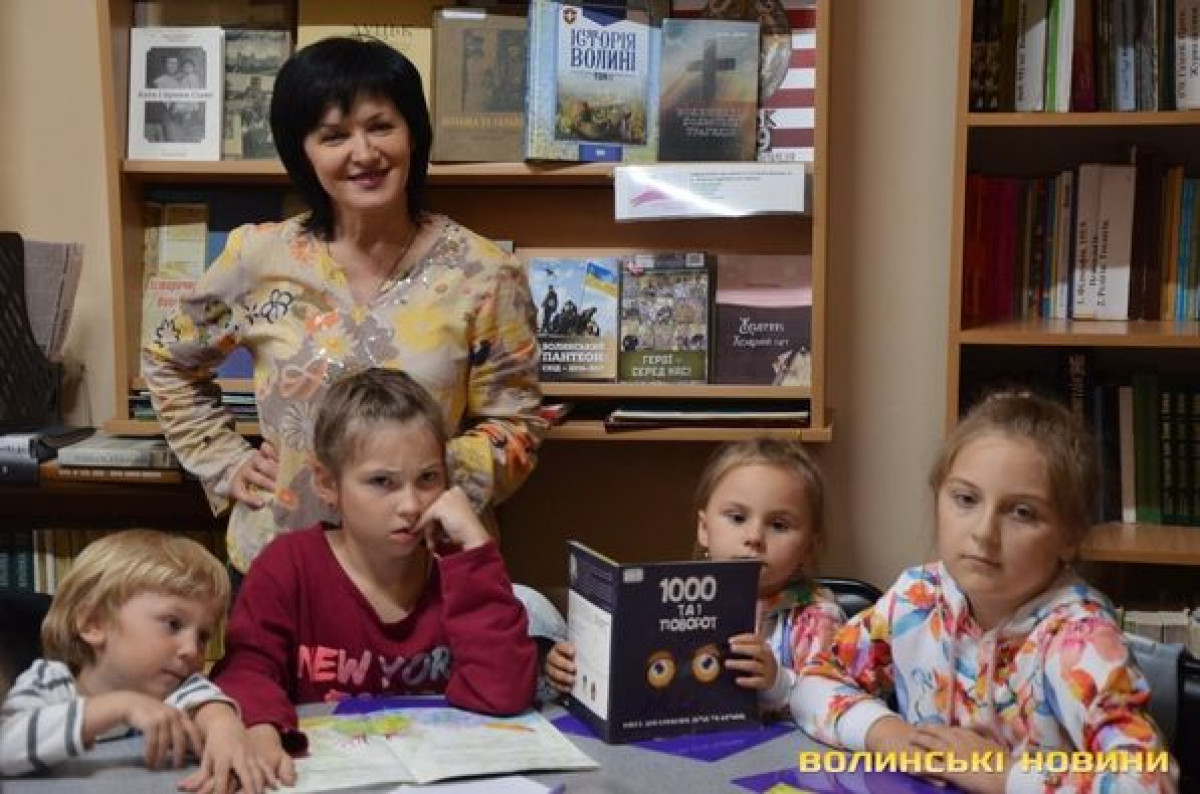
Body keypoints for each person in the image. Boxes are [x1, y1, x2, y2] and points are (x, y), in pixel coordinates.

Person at [141, 36, 546, 581]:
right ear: (302, 151)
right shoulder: (256, 258)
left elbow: (516, 423)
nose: (364, 153)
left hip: (426, 568)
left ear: (413, 134)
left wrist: (421, 480)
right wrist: (225, 461)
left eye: (381, 126)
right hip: (281, 567)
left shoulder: (485, 272)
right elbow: (168, 360)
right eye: (333, 136)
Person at [793, 393, 1175, 794]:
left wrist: (1002, 774)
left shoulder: (1082, 641)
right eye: (966, 499)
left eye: (1022, 512)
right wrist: (883, 732)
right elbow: (813, 680)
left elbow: (1150, 783)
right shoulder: (918, 598)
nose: (984, 532)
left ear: (1070, 536)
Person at [210, 368, 537, 786]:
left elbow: (504, 691)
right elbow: (246, 671)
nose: (411, 505)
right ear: (327, 483)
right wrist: (259, 728)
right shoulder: (287, 567)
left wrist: (476, 546)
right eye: (382, 482)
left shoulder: (460, 568)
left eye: (428, 478)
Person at [545, 438, 845, 714]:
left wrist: (777, 682)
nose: (754, 537)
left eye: (778, 525)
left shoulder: (816, 617)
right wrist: (575, 668)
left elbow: (835, 707)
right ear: (704, 529)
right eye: (737, 518)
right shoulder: (668, 600)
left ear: (809, 547)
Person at [0, 531, 261, 794]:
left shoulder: (176, 689)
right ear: (93, 623)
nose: (192, 650)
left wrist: (223, 725)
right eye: (173, 624)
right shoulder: (50, 682)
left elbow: (207, 704)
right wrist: (118, 707)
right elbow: (6, 746)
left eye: (203, 636)